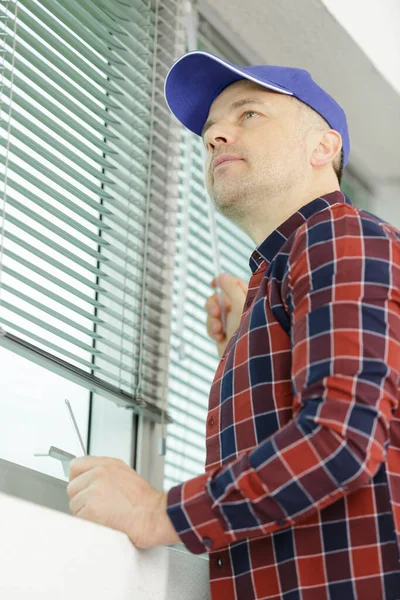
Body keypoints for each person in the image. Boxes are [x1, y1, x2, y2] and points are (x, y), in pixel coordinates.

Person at [67, 51, 400, 599]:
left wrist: (158, 512)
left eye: (248, 115)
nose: (216, 134)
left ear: (324, 147)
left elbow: (339, 442)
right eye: (210, 130)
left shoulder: (337, 238)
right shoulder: (293, 269)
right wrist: (250, 338)